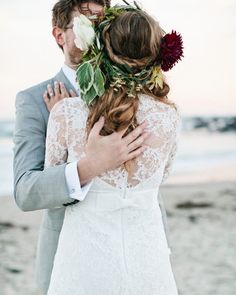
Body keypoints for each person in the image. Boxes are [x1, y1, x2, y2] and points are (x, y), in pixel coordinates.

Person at [46, 4, 183, 295]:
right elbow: (163, 176)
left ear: (100, 49)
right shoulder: (168, 116)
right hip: (148, 259)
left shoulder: (67, 113)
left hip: (84, 262)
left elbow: (53, 196)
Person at [13, 1, 149, 294]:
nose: (98, 30)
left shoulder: (136, 91)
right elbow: (25, 191)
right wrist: (89, 165)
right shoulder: (34, 101)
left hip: (131, 249)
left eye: (103, 21)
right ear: (59, 35)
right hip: (69, 255)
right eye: (86, 22)